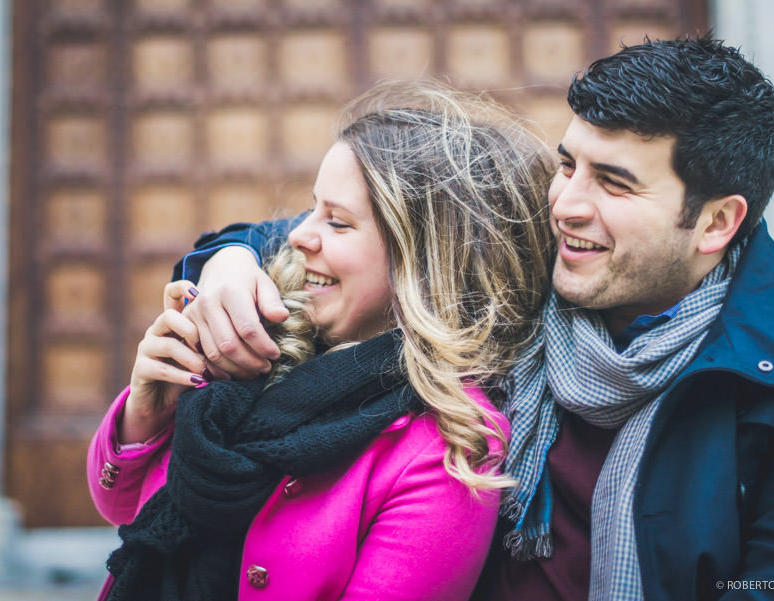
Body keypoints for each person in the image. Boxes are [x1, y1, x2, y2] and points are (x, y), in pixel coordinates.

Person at [165, 37, 774, 600]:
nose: (565, 203)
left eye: (614, 182)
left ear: (717, 221)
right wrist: (225, 262)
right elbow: (335, 238)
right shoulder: (537, 256)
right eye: (569, 164)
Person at [87, 79, 558, 601]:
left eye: (336, 222)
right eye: (313, 209)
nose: (296, 236)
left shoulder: (448, 446)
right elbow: (124, 506)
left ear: (424, 260)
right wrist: (144, 417)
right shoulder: (258, 343)